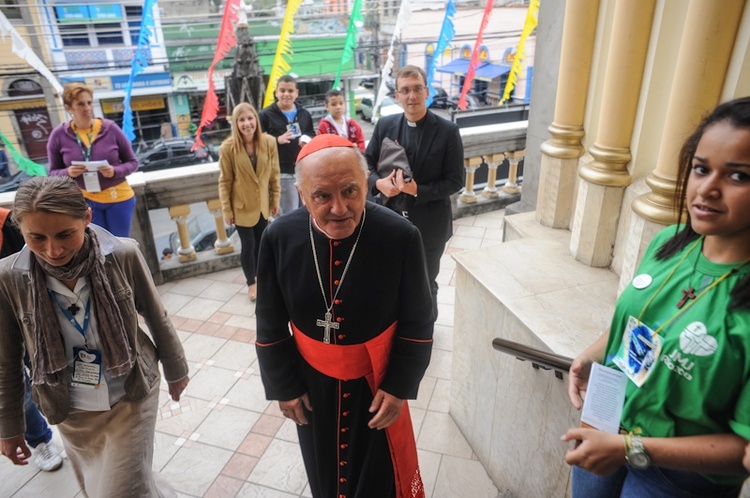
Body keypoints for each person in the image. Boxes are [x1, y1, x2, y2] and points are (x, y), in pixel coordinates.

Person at [562, 97, 750, 497]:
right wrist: (591, 355)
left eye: (738, 177)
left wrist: (632, 448)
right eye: (701, 169)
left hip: (677, 477)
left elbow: (743, 450)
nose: (708, 189)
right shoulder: (670, 243)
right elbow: (641, 325)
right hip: (605, 419)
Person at [255, 134, 435, 498]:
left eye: (351, 192)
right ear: (303, 195)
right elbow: (269, 321)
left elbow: (418, 320)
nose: (340, 208)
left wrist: (398, 386)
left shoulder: (400, 236)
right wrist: (284, 386)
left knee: (378, 479)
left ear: (366, 184)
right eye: (322, 196)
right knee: (323, 473)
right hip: (311, 385)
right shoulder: (279, 237)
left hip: (375, 383)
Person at [0, 176, 189, 497]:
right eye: (36, 238)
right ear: (20, 230)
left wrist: (176, 369)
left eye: (64, 234)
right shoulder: (9, 278)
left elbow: (157, 317)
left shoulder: (123, 254)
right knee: (101, 483)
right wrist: (9, 425)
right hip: (70, 407)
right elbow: (6, 359)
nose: (52, 249)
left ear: (86, 218)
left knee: (119, 490)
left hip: (132, 392)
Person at [365, 65, 464, 319]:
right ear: (397, 95)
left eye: (417, 89)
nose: (412, 96)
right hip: (390, 219)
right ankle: (398, 323)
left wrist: (418, 190)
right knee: (392, 276)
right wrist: (378, 184)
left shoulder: (447, 131)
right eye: (405, 90)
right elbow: (365, 164)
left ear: (426, 91)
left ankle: (425, 329)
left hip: (429, 223)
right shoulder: (385, 125)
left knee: (425, 281)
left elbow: (456, 181)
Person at [0, 207, 63, 472]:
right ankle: (39, 440)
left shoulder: (11, 223)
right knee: (16, 387)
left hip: (31, 318)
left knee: (49, 370)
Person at [47, 82, 139, 237]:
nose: (87, 108)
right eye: (81, 104)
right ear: (69, 108)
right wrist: (68, 172)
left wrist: (114, 171)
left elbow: (133, 163)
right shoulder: (58, 135)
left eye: (89, 103)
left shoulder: (110, 128)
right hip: (85, 201)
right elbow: (52, 172)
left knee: (119, 247)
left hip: (119, 198)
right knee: (97, 246)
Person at [219, 103, 280, 301]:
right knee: (248, 245)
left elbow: (274, 174)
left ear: (256, 120)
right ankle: (251, 284)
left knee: (262, 244)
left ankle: (263, 279)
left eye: (250, 118)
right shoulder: (228, 148)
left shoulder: (269, 142)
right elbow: (225, 181)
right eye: (242, 120)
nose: (247, 124)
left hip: (262, 205)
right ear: (236, 124)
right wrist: (226, 210)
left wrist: (275, 198)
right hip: (241, 206)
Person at [259, 74, 315, 215]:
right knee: (289, 213)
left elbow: (312, 134)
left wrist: (306, 140)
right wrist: (276, 140)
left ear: (296, 93)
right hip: (281, 172)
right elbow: (256, 142)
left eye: (290, 91)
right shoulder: (266, 115)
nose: (286, 94)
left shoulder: (304, 113)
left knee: (308, 210)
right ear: (276, 92)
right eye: (282, 90)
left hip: (304, 170)